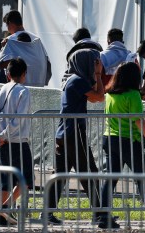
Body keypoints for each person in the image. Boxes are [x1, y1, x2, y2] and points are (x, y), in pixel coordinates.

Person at [99, 62, 145, 227]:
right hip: (129, 140)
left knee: (110, 179)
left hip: (109, 138)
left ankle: (103, 217)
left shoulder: (110, 94)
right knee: (142, 179)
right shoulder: (132, 95)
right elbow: (138, 120)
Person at [45, 49, 108, 227]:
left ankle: (47, 213)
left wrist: (97, 75)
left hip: (65, 133)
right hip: (74, 132)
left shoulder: (72, 79)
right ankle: (100, 215)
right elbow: (99, 97)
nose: (97, 64)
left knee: (60, 175)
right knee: (89, 172)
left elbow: (96, 96)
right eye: (94, 61)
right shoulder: (78, 81)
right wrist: (97, 73)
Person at [0, 58, 32, 226]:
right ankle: (4, 209)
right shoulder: (23, 91)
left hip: (3, 142)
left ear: (8, 74)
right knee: (26, 180)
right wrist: (3, 135)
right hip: (18, 140)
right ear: (24, 74)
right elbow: (19, 120)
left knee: (7, 179)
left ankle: (2, 215)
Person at [0, 10, 51, 86]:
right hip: (38, 85)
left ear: (10, 23)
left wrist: (2, 49)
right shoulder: (37, 40)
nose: (8, 29)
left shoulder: (9, 41)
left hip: (20, 87)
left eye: (7, 26)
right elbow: (46, 61)